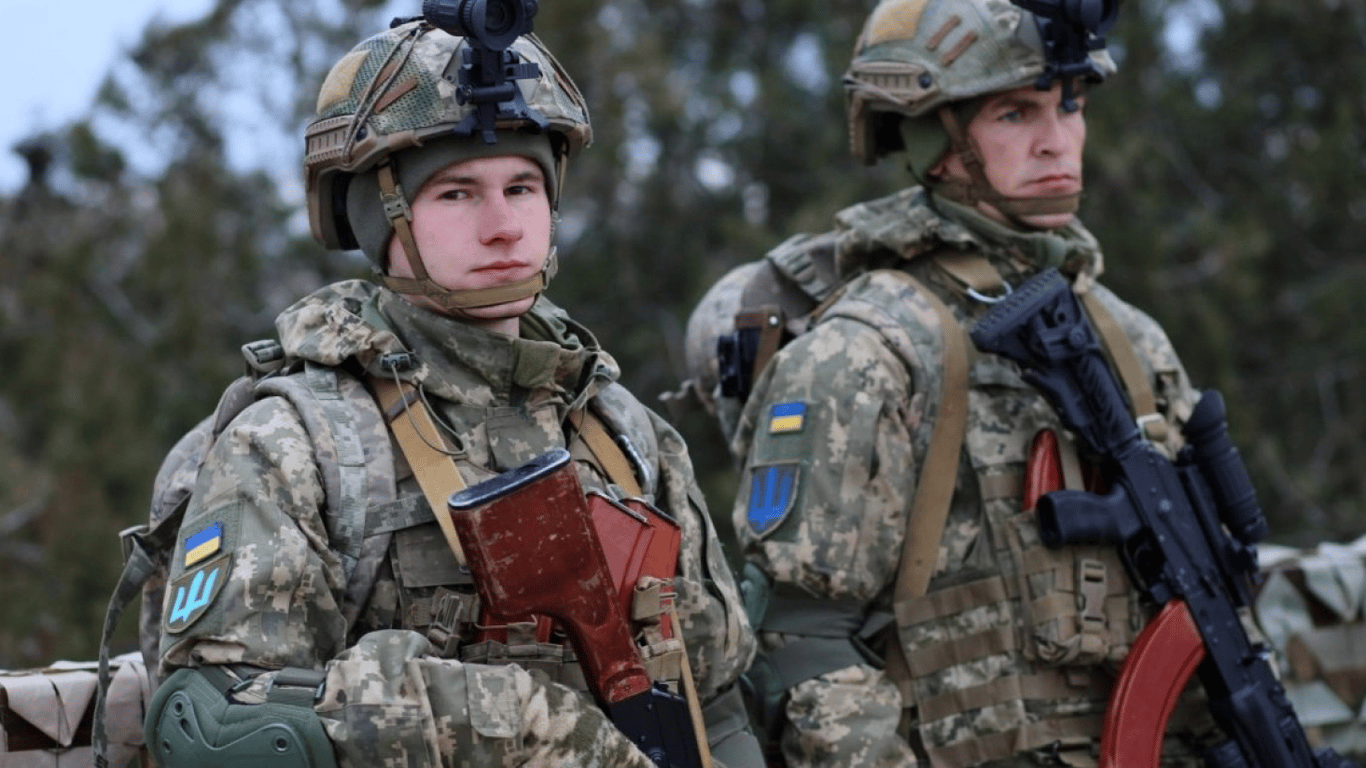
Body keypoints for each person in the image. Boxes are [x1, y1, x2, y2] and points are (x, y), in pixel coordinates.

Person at [139, 15, 761, 768]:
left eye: (523, 186)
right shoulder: (299, 443)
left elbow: (717, 695)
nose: (504, 227)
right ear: (377, 217)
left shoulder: (619, 428)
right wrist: (511, 724)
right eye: (457, 194)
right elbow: (210, 731)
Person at [687, 0, 1225, 765]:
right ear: (933, 140)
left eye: (1070, 105)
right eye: (1016, 112)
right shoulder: (870, 349)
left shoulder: (1125, 333)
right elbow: (800, 641)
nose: (1057, 139)